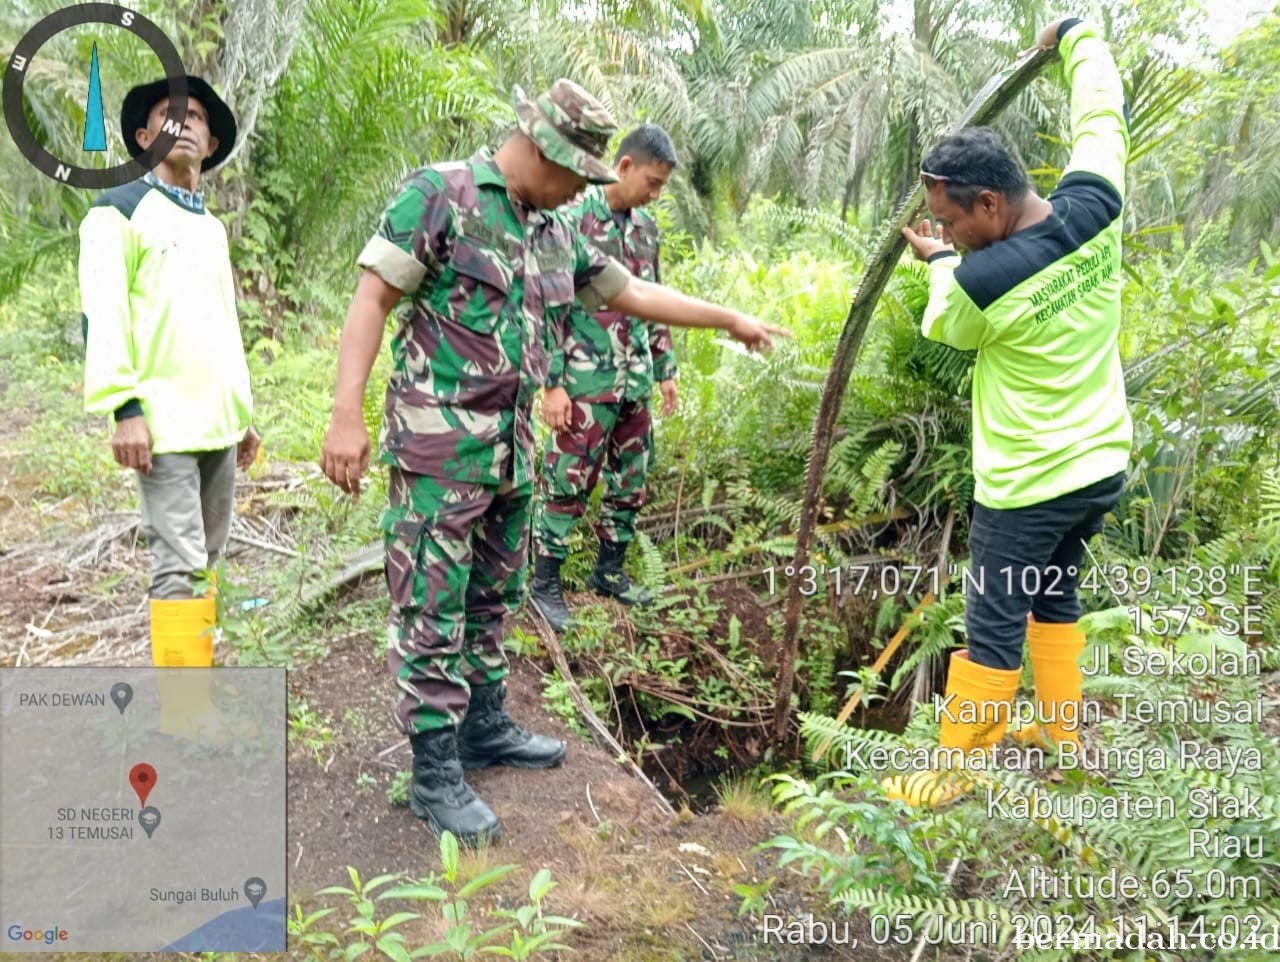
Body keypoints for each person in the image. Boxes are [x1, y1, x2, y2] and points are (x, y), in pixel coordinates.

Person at [320, 79, 784, 846]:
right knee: (432, 603)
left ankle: (486, 724)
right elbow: (372, 299)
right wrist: (346, 415)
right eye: (573, 172)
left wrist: (728, 319)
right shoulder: (443, 195)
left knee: (492, 596)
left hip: (511, 453)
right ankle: (435, 770)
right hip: (441, 448)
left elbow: (629, 292)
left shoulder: (556, 230)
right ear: (537, 149)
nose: (580, 189)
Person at [886, 16, 1130, 806]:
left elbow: (949, 325)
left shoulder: (977, 285)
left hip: (1027, 485)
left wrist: (940, 264)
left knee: (993, 621)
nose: (946, 231)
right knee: (1055, 594)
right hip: (1098, 466)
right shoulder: (1097, 201)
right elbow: (1102, 114)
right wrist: (1077, 40)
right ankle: (1061, 734)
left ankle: (954, 772)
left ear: (989, 204)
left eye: (952, 219)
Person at [80, 75, 259, 670]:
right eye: (168, 115)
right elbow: (102, 313)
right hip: (161, 429)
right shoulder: (118, 211)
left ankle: (195, 681)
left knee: (206, 559)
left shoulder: (209, 228)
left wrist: (244, 416)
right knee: (179, 564)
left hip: (218, 427)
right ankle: (185, 716)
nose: (184, 125)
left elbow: (221, 325)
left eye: (197, 119)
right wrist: (124, 410)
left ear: (210, 144)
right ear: (143, 136)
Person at [530, 123, 681, 632]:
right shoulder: (569, 220)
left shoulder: (645, 231)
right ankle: (544, 582)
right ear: (624, 167)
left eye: (662, 187)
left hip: (633, 380)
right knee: (567, 480)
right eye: (652, 183)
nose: (656, 195)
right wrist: (551, 383)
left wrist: (665, 370)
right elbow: (548, 305)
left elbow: (653, 299)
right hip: (582, 380)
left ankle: (609, 572)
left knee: (631, 479)